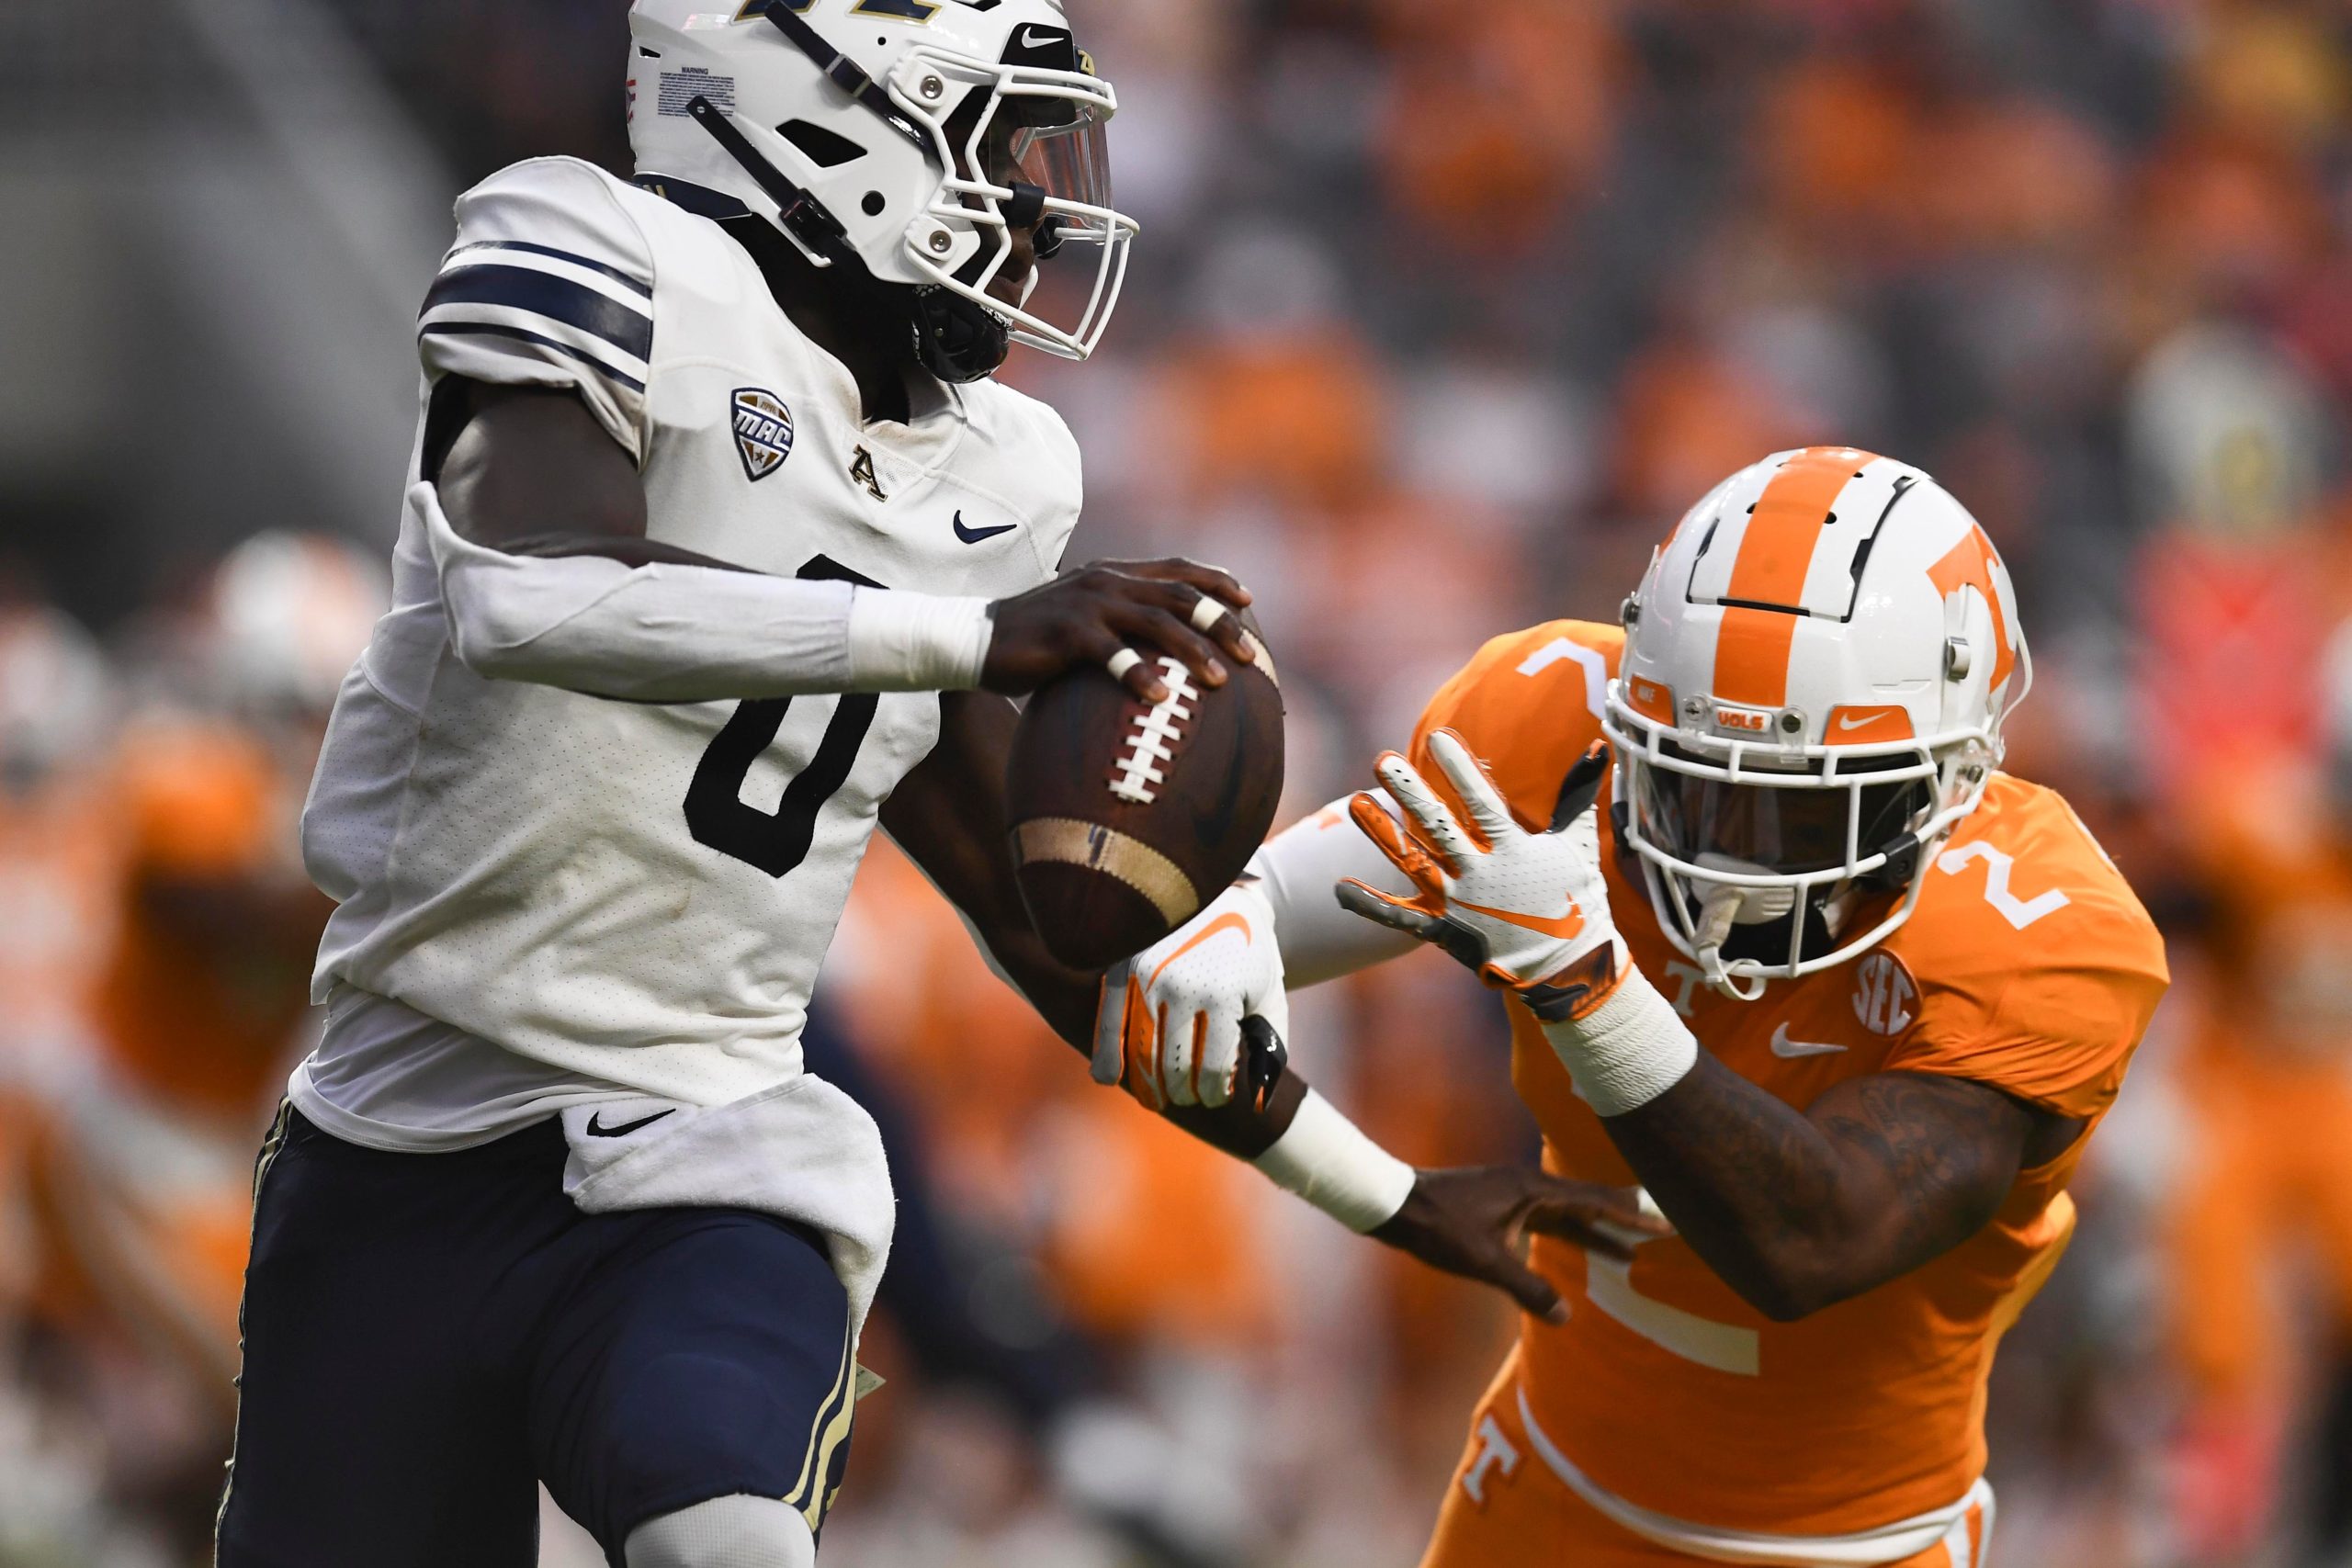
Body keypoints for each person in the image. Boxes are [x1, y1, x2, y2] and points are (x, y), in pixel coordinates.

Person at [217, 5, 1646, 1565]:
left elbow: (1070, 946)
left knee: (725, 1542)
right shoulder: (585, 244)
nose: (1034, 207)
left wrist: (1381, 1188)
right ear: (819, 127)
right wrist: (964, 637)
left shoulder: (998, 473)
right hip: (393, 1151)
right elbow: (533, 600)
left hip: (708, 1151)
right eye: (993, 149)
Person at [1105, 446, 2171, 1567]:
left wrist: (1588, 990)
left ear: (1949, 781)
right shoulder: (1557, 740)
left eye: (1802, 816)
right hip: (1540, 1491)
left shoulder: (2038, 928)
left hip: (1856, 1545)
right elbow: (1270, 912)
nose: (1730, 859)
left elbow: (1809, 1242)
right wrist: (1229, 911)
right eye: (1694, 784)